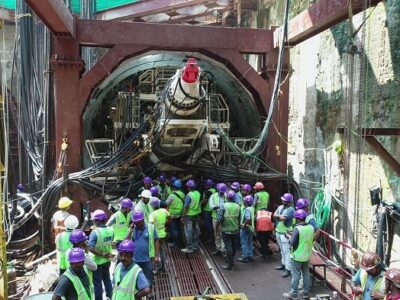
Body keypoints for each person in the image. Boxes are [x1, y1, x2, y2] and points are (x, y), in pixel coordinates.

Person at [283, 209, 315, 300]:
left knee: (296, 275)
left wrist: (288, 236)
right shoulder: (311, 227)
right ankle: (305, 294)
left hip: (297, 256)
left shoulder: (297, 229)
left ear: (297, 218)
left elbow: (292, 243)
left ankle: (293, 295)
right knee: (306, 274)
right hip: (307, 255)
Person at [129, 209, 160, 290]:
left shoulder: (150, 227)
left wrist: (156, 255)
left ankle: (148, 293)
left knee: (148, 278)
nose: (137, 223)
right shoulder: (133, 229)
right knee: (135, 278)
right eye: (135, 221)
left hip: (148, 259)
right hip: (135, 259)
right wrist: (130, 230)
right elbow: (126, 241)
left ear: (143, 219)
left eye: (138, 221)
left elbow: (156, 240)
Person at [88, 210, 114, 300]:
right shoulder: (111, 230)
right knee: (107, 280)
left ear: (98, 221)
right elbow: (111, 243)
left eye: (94, 220)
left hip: (97, 262)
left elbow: (90, 248)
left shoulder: (95, 233)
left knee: (97, 283)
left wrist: (102, 254)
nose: (93, 221)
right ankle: (110, 297)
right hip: (107, 260)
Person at [216, 189, 240, 270]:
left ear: (227, 197)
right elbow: (239, 218)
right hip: (236, 230)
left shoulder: (223, 206)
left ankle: (230, 265)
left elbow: (219, 218)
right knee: (233, 247)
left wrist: (216, 228)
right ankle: (231, 260)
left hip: (226, 230)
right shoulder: (238, 206)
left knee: (228, 247)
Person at [273, 193, 295, 278]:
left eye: (284, 200)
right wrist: (279, 216)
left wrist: (278, 216)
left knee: (287, 251)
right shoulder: (280, 207)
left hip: (285, 233)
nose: (282, 201)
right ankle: (283, 264)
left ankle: (288, 269)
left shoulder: (290, 210)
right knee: (282, 250)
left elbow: (283, 218)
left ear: (289, 202)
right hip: (279, 231)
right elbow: (274, 216)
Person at [148, 197, 170, 273]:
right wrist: (165, 223)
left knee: (155, 252)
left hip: (156, 236)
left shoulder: (152, 215)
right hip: (163, 234)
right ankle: (163, 266)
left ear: (151, 205)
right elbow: (170, 217)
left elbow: (150, 225)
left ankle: (158, 268)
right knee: (161, 250)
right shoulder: (164, 211)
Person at [181, 179, 202, 254]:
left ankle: (189, 247)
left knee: (188, 231)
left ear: (188, 187)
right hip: (196, 214)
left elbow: (186, 207)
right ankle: (195, 245)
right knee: (196, 230)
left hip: (189, 215)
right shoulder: (198, 193)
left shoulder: (188, 195)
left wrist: (183, 216)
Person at [209, 183, 227, 256]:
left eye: (223, 191)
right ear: (218, 190)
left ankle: (223, 250)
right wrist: (220, 207)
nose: (222, 193)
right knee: (217, 233)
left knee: (223, 234)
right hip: (216, 217)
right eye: (221, 191)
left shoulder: (226, 195)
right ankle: (218, 248)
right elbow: (211, 206)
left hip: (225, 217)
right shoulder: (213, 196)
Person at [166, 179, 185, 248]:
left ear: (174, 186)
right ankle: (180, 241)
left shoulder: (172, 195)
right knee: (179, 228)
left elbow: (166, 203)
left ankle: (175, 243)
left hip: (173, 214)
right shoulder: (182, 194)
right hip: (180, 214)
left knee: (174, 229)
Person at [237, 194, 255, 263]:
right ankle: (250, 255)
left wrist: (243, 225)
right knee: (249, 242)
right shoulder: (252, 208)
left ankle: (245, 257)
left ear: (247, 202)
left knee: (244, 242)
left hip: (246, 228)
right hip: (251, 228)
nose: (243, 201)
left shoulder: (247, 209)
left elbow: (248, 219)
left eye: (244, 201)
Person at [201, 179, 216, 244]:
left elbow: (205, 201)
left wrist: (200, 206)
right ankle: (214, 237)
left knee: (208, 225)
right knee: (213, 225)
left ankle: (211, 238)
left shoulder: (208, 192)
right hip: (213, 210)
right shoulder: (215, 190)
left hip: (207, 210)